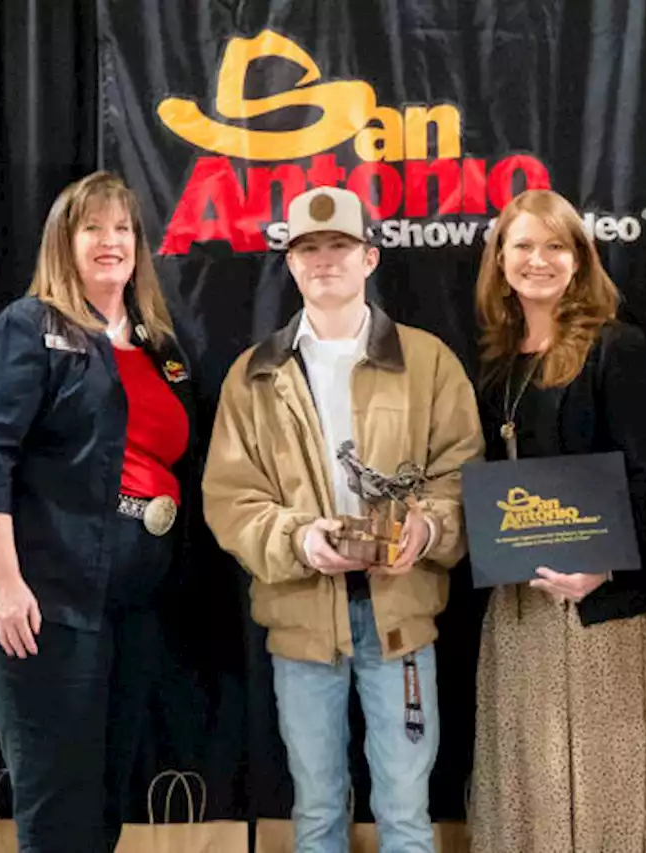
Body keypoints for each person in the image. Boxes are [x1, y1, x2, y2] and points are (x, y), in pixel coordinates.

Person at [201, 186, 484, 853]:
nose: (324, 260)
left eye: (339, 246)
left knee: (408, 813)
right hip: (301, 620)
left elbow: (462, 472)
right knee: (317, 810)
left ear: (370, 257)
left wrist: (430, 528)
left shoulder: (428, 361)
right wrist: (297, 537)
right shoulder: (255, 375)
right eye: (308, 248)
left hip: (402, 618)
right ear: (291, 264)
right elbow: (231, 496)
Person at [0, 171, 198, 852]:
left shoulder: (158, 345)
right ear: (65, 241)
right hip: (42, 596)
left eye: (123, 228)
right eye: (93, 227)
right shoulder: (30, 327)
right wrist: (4, 581)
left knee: (105, 797)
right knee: (57, 801)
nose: (110, 241)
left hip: (127, 601)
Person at [468, 188, 646, 852]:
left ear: (579, 258)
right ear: (500, 258)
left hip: (603, 607)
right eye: (524, 245)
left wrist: (604, 568)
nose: (539, 260)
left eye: (556, 245)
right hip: (521, 610)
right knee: (529, 776)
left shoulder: (614, 347)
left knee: (607, 781)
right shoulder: (497, 364)